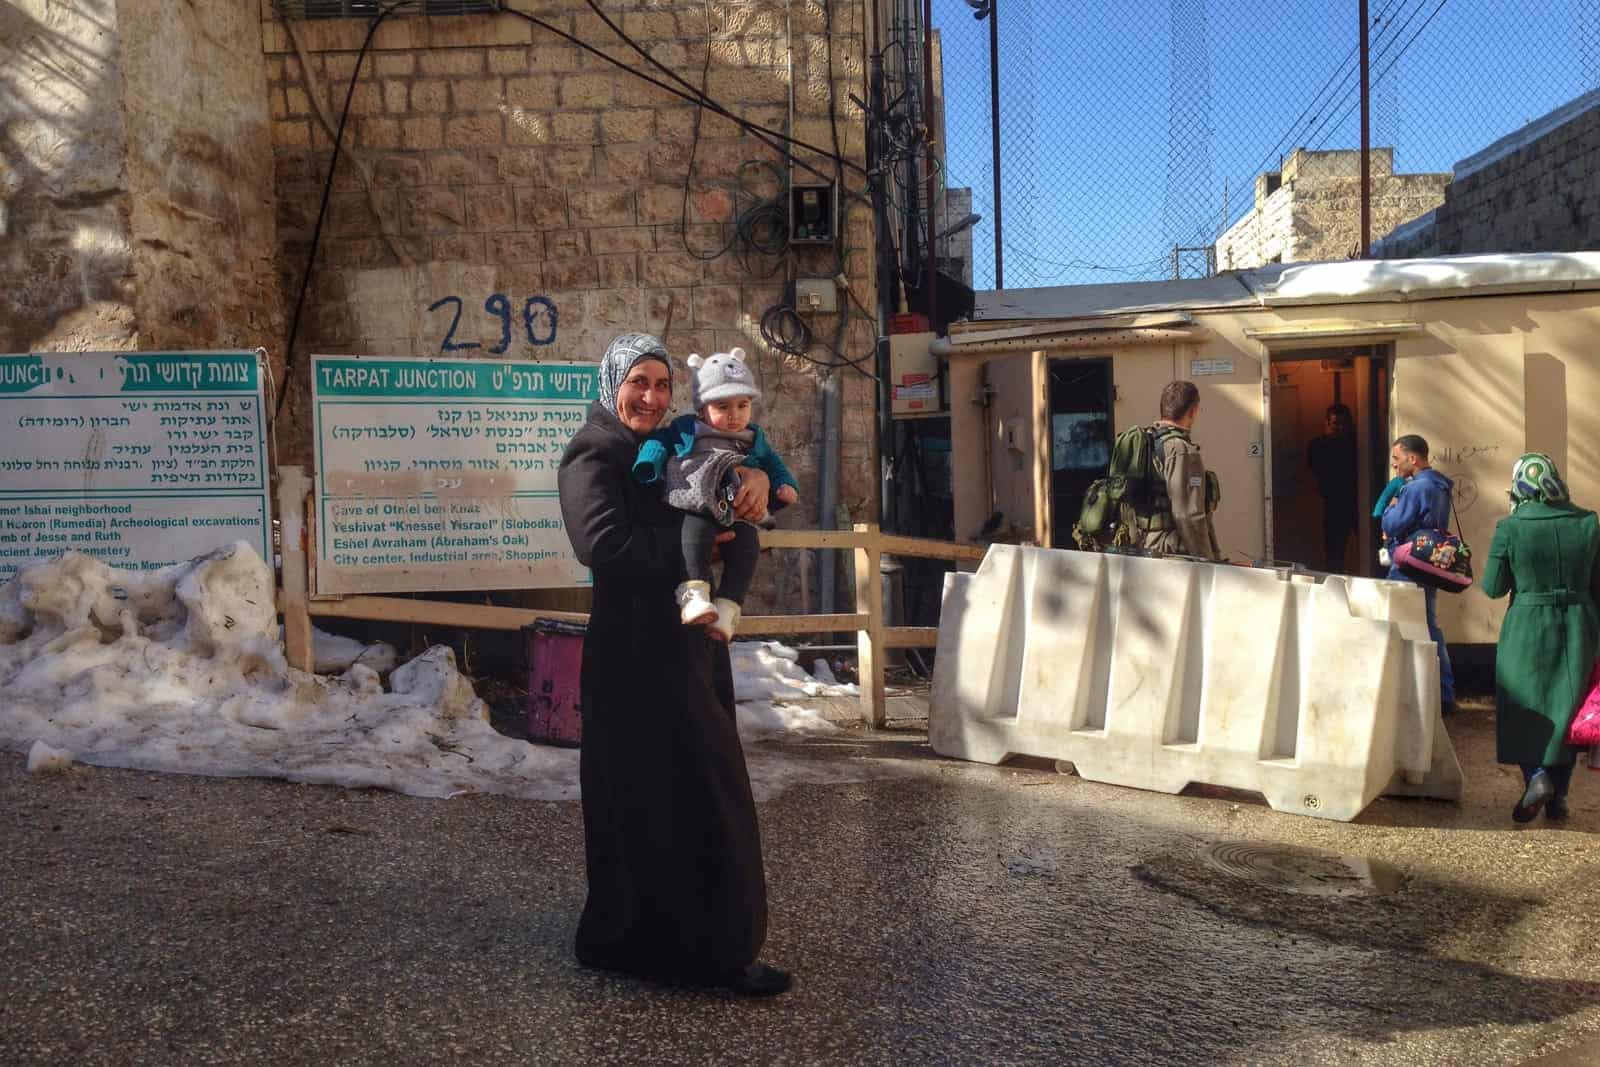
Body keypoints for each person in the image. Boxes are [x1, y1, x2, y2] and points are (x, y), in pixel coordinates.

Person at [556, 332, 790, 996]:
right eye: (639, 382)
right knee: (668, 796)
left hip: (682, 646)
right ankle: (691, 947)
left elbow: (729, 468)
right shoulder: (592, 453)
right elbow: (603, 543)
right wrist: (697, 544)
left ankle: (679, 940)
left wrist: (752, 480)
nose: (652, 397)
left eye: (662, 384)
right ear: (612, 384)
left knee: (681, 794)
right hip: (632, 657)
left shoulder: (664, 447)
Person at [633, 346, 800, 642]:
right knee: (694, 535)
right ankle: (694, 593)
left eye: (742, 405)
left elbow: (773, 463)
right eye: (722, 407)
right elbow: (661, 441)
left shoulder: (753, 437)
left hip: (734, 511)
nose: (735, 416)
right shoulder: (688, 429)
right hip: (696, 504)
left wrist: (784, 485)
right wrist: (650, 461)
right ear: (702, 408)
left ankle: (728, 607)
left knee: (746, 546)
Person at [1480, 452, 1600, 823]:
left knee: (1524, 707)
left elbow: (1493, 587)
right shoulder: (1589, 523)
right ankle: (1557, 797)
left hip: (1527, 625)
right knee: (1567, 708)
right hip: (1581, 622)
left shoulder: (1511, 527)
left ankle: (1537, 777)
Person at [1381, 434, 1457, 715]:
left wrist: (1390, 511)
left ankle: (1421, 693)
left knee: (1404, 625)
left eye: (1397, 459)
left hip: (1409, 566)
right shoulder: (1440, 486)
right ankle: (1443, 692)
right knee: (1429, 626)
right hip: (1429, 563)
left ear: (1413, 458)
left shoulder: (1415, 489)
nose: (1394, 466)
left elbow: (1393, 523)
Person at [1139, 380, 1222, 561]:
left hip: (1141, 549)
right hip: (1170, 555)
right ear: (1192, 411)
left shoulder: (1146, 441)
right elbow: (1188, 514)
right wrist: (1207, 561)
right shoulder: (1181, 450)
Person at [1306, 403, 1358, 572]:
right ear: (1327, 424)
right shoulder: (1318, 445)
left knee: (1371, 549)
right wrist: (1330, 440)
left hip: (1358, 502)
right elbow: (1316, 466)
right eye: (1335, 424)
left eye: (1343, 424)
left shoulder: (1359, 444)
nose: (1339, 428)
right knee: (1334, 554)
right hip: (1334, 504)